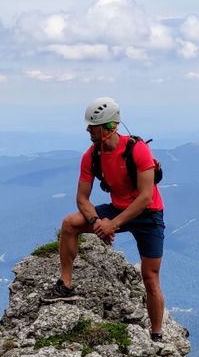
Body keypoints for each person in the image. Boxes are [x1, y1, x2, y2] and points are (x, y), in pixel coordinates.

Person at [50, 96, 166, 339]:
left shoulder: (138, 150)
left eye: (93, 126)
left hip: (148, 214)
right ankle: (66, 285)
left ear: (109, 127)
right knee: (70, 224)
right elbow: (82, 199)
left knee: (150, 276)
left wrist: (113, 223)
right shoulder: (91, 156)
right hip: (116, 209)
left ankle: (157, 335)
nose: (88, 130)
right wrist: (97, 223)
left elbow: (145, 197)